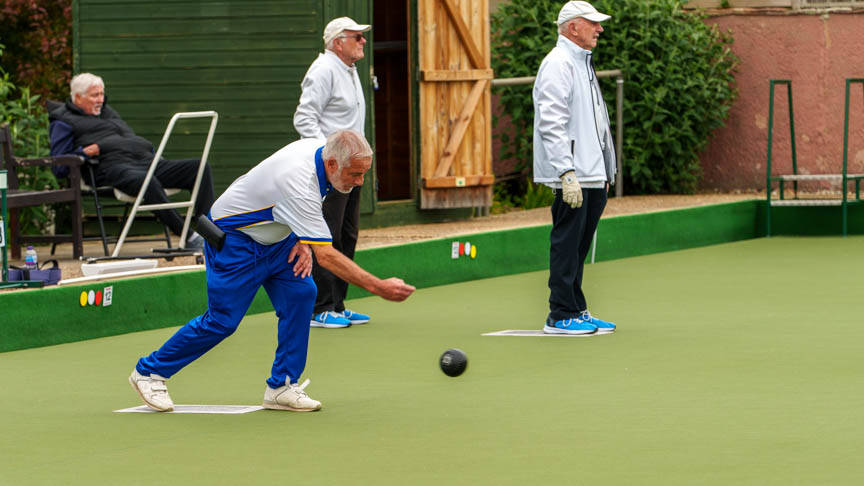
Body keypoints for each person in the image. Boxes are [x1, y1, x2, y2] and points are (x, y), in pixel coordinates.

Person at [128, 130, 415, 412]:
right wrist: (379, 287)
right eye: (355, 174)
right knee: (222, 321)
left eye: (364, 173)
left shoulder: (323, 151)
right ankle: (149, 372)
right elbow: (325, 256)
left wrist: (303, 238)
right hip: (235, 240)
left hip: (277, 239)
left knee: (301, 294)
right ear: (332, 164)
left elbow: (308, 211)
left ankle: (282, 387)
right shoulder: (298, 183)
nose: (360, 181)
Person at [48, 72, 214, 249]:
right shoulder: (63, 121)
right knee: (146, 181)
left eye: (102, 94)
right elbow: (60, 165)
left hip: (145, 161)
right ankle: (188, 237)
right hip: (112, 168)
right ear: (78, 98)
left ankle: (210, 234)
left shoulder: (107, 112)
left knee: (199, 168)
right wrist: (85, 152)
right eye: (95, 95)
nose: (101, 100)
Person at [533, 1, 618, 335]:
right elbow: (551, 121)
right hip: (572, 174)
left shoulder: (582, 62)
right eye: (592, 23)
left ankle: (576, 308)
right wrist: (566, 172)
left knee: (579, 245)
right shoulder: (558, 63)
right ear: (572, 27)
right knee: (567, 242)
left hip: (591, 174)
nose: (599, 29)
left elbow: (596, 123)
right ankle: (560, 314)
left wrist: (604, 171)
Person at [294, 17, 373, 329]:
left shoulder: (349, 70)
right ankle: (320, 307)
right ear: (338, 42)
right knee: (326, 236)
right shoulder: (323, 69)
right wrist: (325, 159)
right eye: (356, 37)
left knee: (348, 233)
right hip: (332, 170)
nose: (363, 41)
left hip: (350, 169)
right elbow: (304, 118)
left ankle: (338, 303)